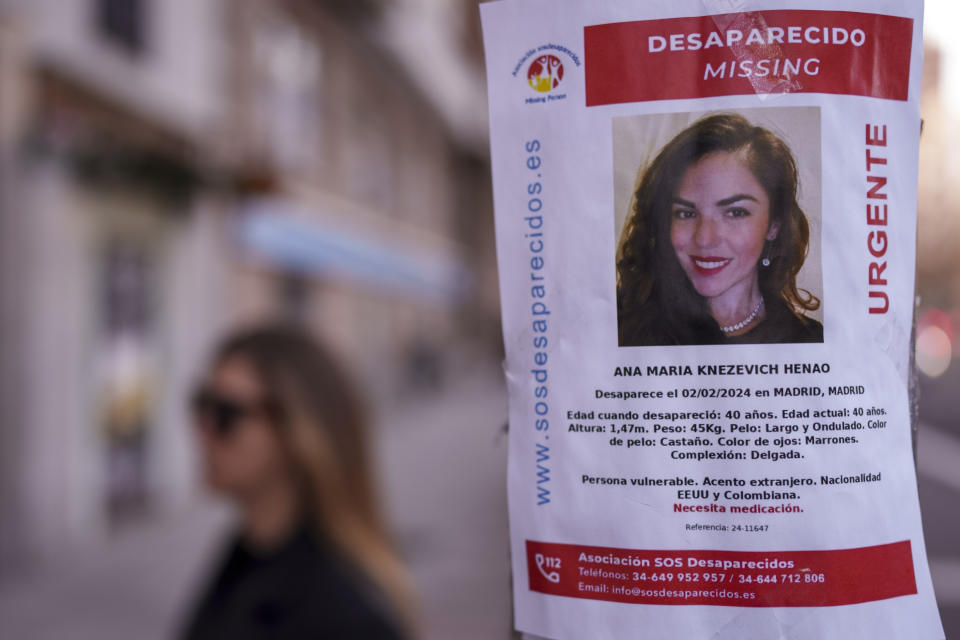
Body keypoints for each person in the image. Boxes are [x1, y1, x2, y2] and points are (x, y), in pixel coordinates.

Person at [181, 325, 414, 640]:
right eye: (201, 405)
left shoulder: (345, 615)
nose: (203, 429)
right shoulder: (248, 550)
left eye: (226, 414)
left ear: (297, 432)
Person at [617, 113, 823, 346]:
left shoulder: (809, 340)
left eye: (735, 213)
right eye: (686, 213)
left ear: (773, 225)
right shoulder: (622, 326)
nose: (705, 238)